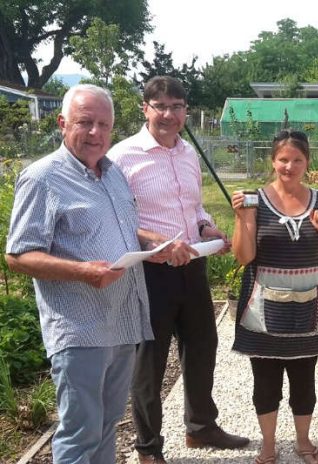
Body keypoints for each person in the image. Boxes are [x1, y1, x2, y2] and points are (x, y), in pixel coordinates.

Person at [4, 84, 155, 463]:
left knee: (106, 424)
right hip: (80, 327)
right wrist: (82, 271)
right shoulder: (42, 178)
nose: (95, 133)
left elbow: (120, 227)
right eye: (85, 123)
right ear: (61, 123)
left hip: (121, 321)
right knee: (80, 430)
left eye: (104, 125)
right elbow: (18, 255)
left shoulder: (112, 173)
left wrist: (158, 244)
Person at [108, 76, 248, 464]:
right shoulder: (123, 156)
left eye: (177, 106)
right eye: (161, 106)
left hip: (193, 267)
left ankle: (201, 428)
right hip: (151, 273)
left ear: (186, 110)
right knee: (150, 361)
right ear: (145, 109)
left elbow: (194, 207)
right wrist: (156, 241)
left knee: (203, 347)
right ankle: (148, 448)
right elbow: (117, 219)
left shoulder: (188, 153)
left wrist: (206, 227)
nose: (169, 114)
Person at [231, 129, 318, 464]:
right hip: (263, 306)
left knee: (304, 379)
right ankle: (268, 444)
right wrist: (242, 218)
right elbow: (243, 257)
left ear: (307, 162)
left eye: (297, 160)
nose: (289, 166)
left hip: (308, 305)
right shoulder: (253, 199)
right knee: (265, 381)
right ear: (273, 161)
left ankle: (303, 441)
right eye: (283, 159)